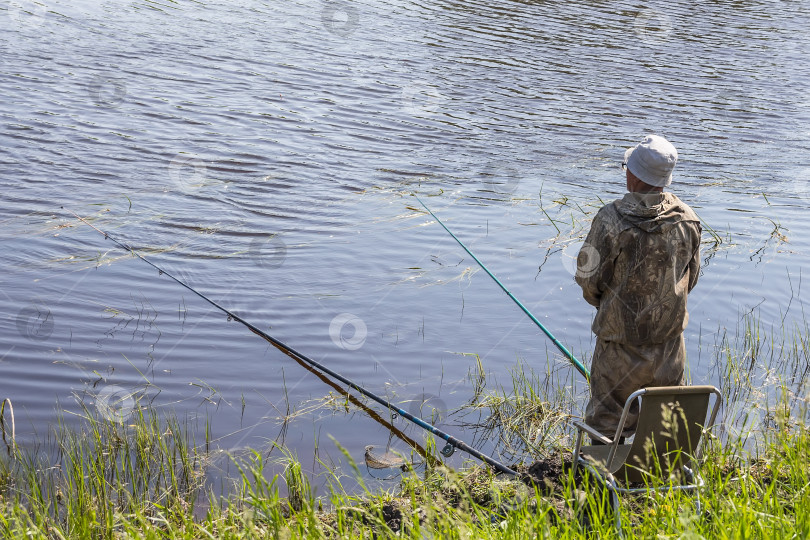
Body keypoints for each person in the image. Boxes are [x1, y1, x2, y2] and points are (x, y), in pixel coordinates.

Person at [575, 135, 701, 442]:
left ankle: (603, 481)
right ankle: (657, 482)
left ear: (633, 174)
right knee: (665, 429)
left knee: (606, 426)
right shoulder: (689, 219)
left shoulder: (610, 220)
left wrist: (606, 306)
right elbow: (690, 278)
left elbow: (587, 276)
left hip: (619, 346)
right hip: (669, 348)